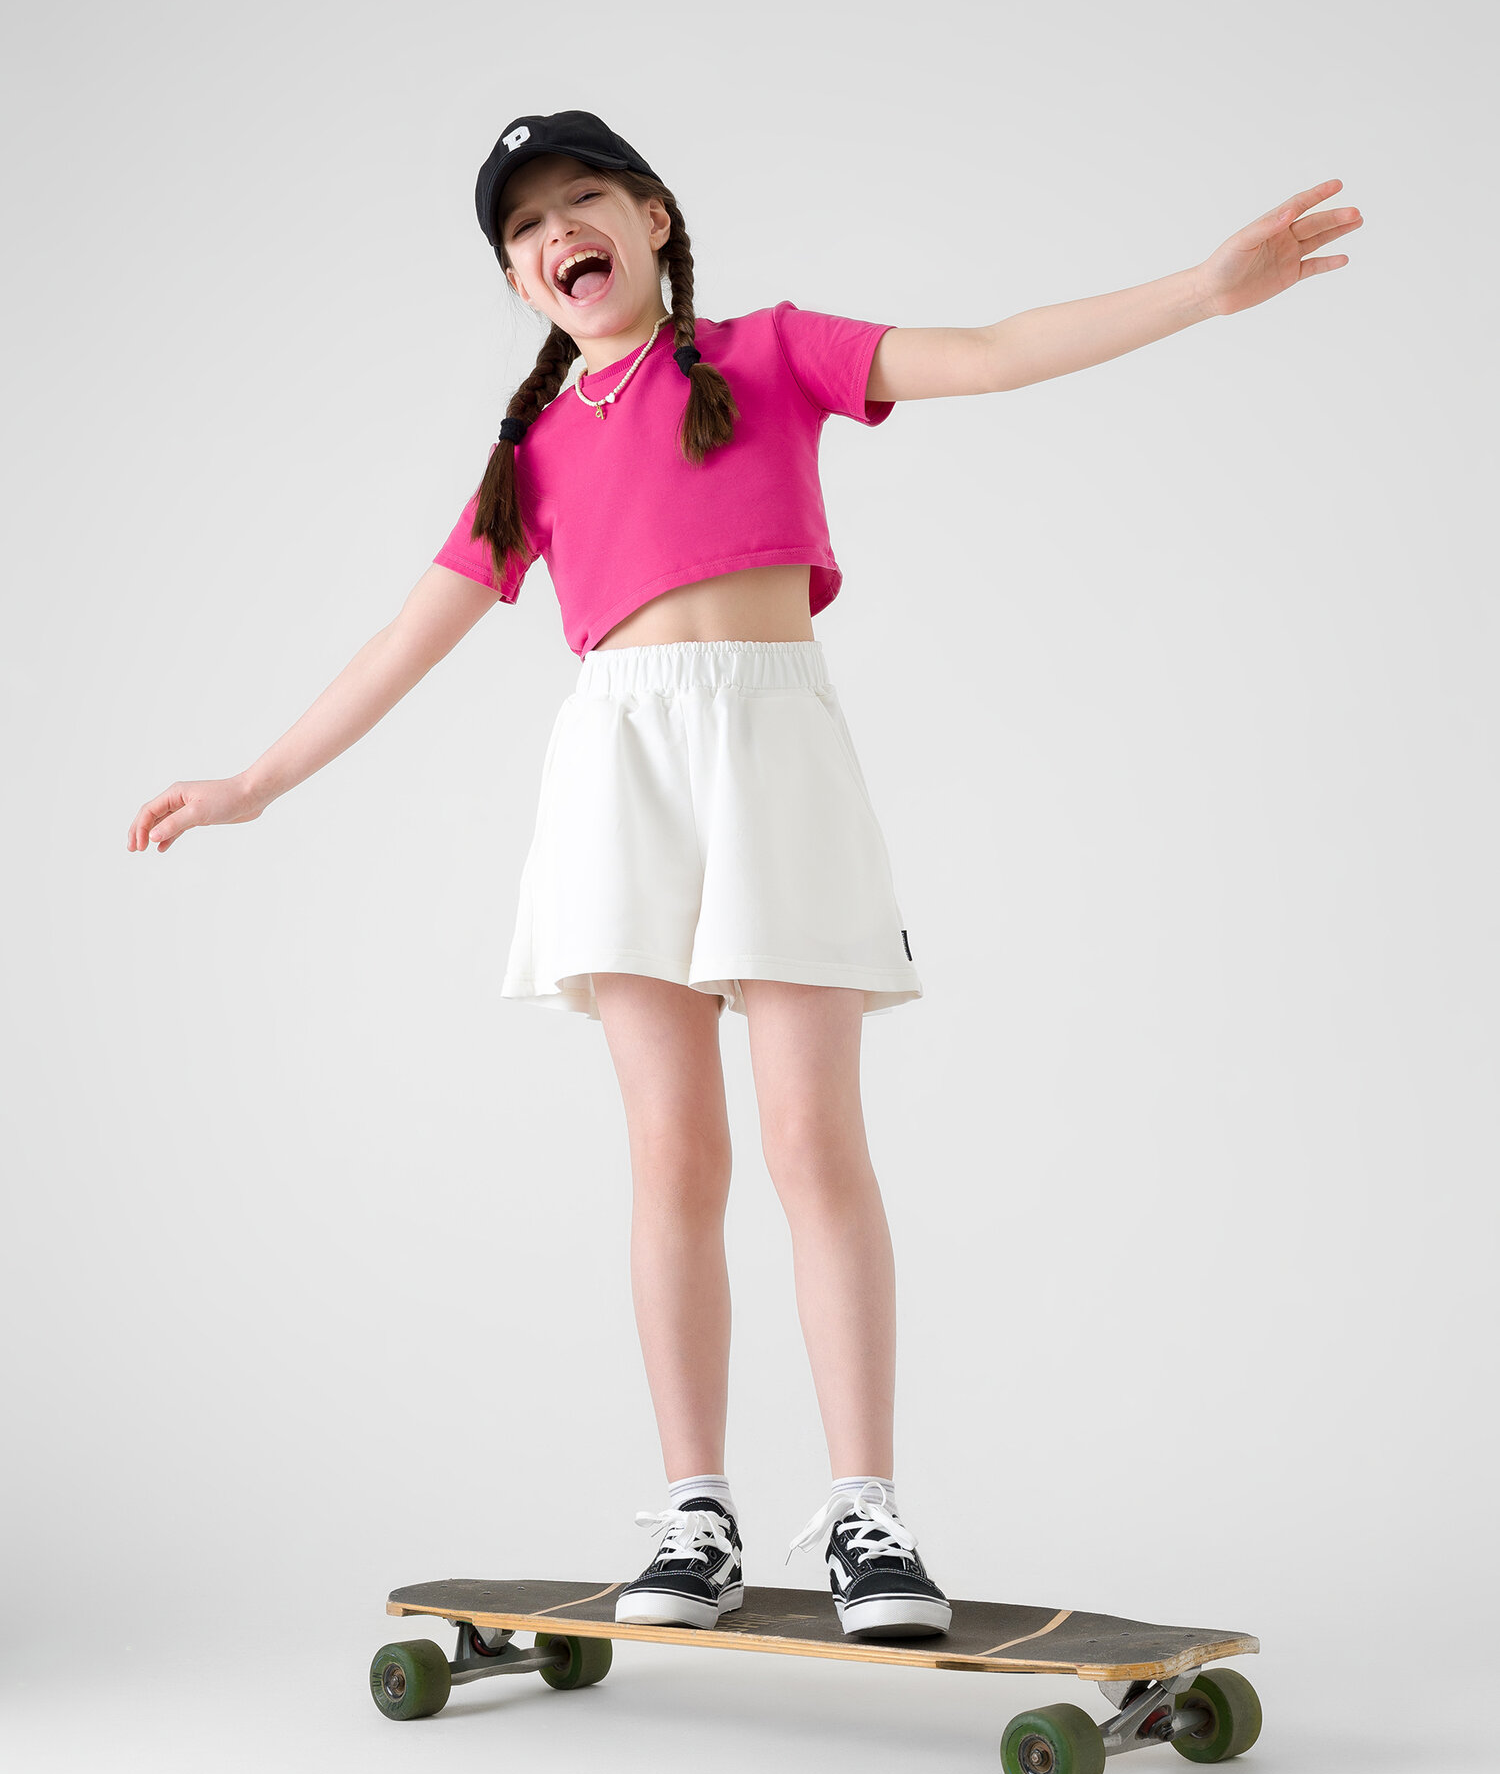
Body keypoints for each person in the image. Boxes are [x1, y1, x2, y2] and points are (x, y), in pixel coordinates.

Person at [126, 109, 1361, 1642]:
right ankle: (694, 1513)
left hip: (774, 751)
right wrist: (255, 783)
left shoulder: (771, 353)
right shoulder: (532, 451)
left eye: (583, 199)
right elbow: (407, 636)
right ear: (516, 281)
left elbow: (988, 353)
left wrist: (1204, 290)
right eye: (526, 228)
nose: (559, 234)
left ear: (651, 218)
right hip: (621, 771)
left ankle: (868, 1518)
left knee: (812, 1142)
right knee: (674, 1160)